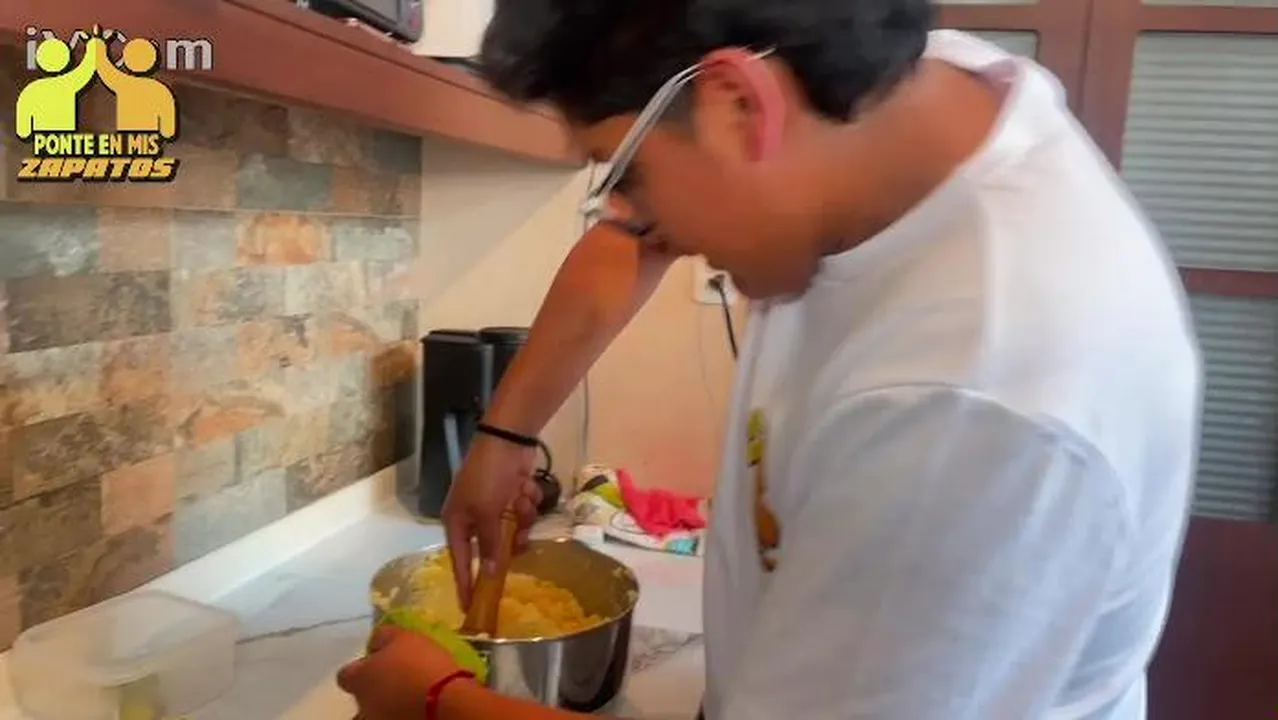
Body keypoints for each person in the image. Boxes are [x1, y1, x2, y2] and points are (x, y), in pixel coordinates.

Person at [338, 0, 1203, 718]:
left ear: (738, 106)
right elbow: (635, 241)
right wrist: (503, 438)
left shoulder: (973, 400)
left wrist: (438, 699)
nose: (639, 220)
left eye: (624, 175)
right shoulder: (888, 93)